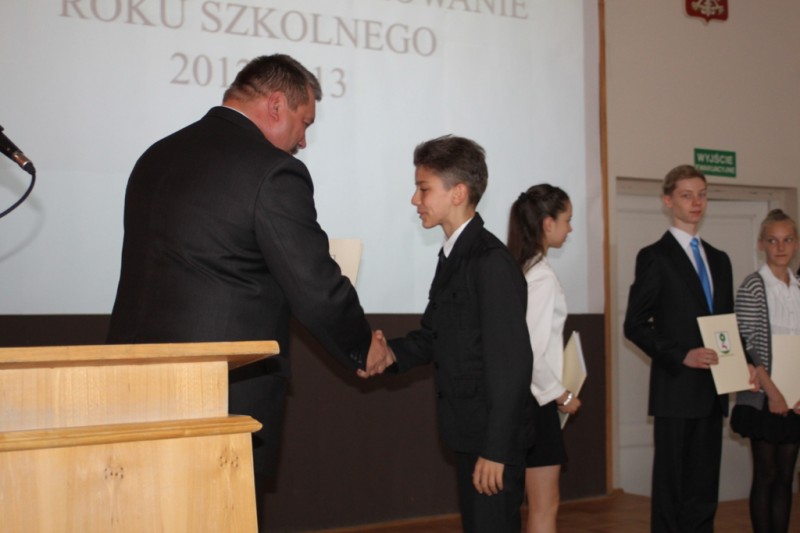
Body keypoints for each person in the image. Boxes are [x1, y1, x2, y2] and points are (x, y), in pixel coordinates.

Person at [106, 54, 391, 529]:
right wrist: (363, 346)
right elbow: (315, 287)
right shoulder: (273, 171)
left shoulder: (156, 156)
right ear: (276, 105)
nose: (303, 141)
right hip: (219, 396)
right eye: (305, 123)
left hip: (130, 387)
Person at [366, 135, 536, 532]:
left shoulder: (490, 262)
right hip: (469, 433)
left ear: (458, 192)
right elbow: (434, 336)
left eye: (423, 188)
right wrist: (390, 354)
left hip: (491, 442)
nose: (415, 199)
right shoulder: (454, 255)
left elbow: (512, 364)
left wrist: (496, 450)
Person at [623, 164, 743, 532]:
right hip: (675, 390)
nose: (696, 202)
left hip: (713, 390)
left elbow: (727, 325)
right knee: (672, 487)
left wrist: (744, 366)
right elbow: (634, 324)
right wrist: (681, 354)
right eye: (687, 195)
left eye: (702, 194)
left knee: (704, 489)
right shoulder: (655, 256)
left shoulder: (720, 259)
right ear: (668, 200)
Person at [507, 184, 581, 533]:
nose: (570, 228)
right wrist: (561, 395)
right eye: (567, 220)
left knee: (535, 504)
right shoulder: (541, 276)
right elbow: (531, 352)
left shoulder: (521, 269)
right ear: (547, 223)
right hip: (535, 404)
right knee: (544, 505)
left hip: (524, 400)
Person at [731, 209, 800, 533]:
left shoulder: (798, 287)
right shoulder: (754, 285)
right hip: (764, 397)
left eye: (787, 240)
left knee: (786, 477)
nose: (781, 247)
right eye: (773, 240)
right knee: (766, 475)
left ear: (796, 244)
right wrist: (774, 393)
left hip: (794, 398)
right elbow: (746, 342)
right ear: (762, 244)